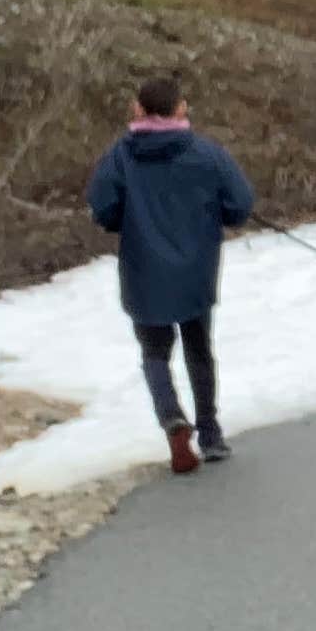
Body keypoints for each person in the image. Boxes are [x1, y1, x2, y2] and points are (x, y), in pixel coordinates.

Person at [88, 75, 254, 475]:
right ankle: (211, 433)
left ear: (139, 110)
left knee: (155, 352)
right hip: (196, 270)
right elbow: (241, 204)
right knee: (199, 349)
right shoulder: (206, 154)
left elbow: (102, 207)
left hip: (144, 270)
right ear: (180, 109)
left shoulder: (120, 157)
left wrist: (126, 222)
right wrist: (217, 213)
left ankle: (172, 419)